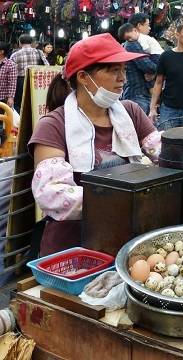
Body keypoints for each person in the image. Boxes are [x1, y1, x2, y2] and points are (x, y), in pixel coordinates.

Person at [28, 33, 162, 256]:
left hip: (123, 242)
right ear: (83, 77)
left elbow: (161, 150)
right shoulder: (54, 125)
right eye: (113, 70)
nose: (123, 79)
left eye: (124, 70)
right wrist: (124, 199)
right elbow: (52, 193)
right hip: (72, 248)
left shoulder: (130, 113)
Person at [118, 23, 158, 115]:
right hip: (138, 94)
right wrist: (159, 69)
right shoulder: (132, 44)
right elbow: (147, 66)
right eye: (147, 25)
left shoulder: (130, 44)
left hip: (136, 93)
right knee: (141, 126)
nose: (149, 28)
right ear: (138, 27)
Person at [10, 34, 49, 112]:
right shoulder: (39, 52)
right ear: (31, 42)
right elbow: (47, 66)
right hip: (36, 80)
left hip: (20, 81)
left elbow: (11, 72)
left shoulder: (15, 55)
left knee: (19, 104)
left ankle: (20, 122)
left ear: (20, 42)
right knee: (34, 102)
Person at [0, 42, 17, 108]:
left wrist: (11, 97)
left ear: (2, 52)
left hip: (3, 97)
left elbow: (12, 82)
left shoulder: (10, 64)